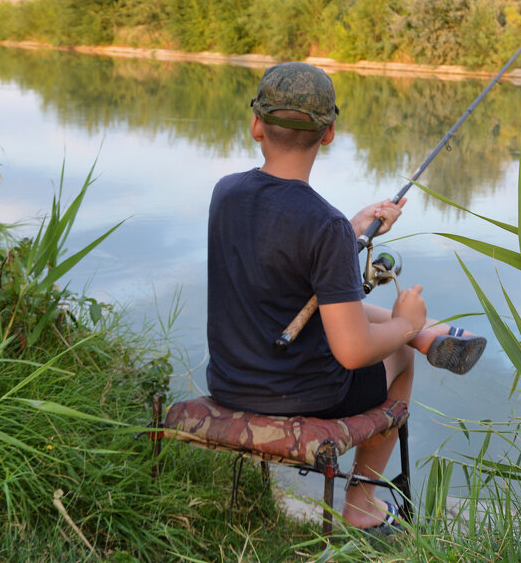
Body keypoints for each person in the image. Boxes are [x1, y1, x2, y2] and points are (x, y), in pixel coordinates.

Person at [206, 61, 485, 535]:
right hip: (302, 394)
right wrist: (406, 323)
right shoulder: (323, 225)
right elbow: (352, 350)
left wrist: (353, 230)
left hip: (230, 382)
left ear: (256, 125)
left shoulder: (226, 192)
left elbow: (279, 265)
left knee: (364, 322)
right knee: (397, 350)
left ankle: (429, 335)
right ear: (329, 133)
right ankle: (361, 503)